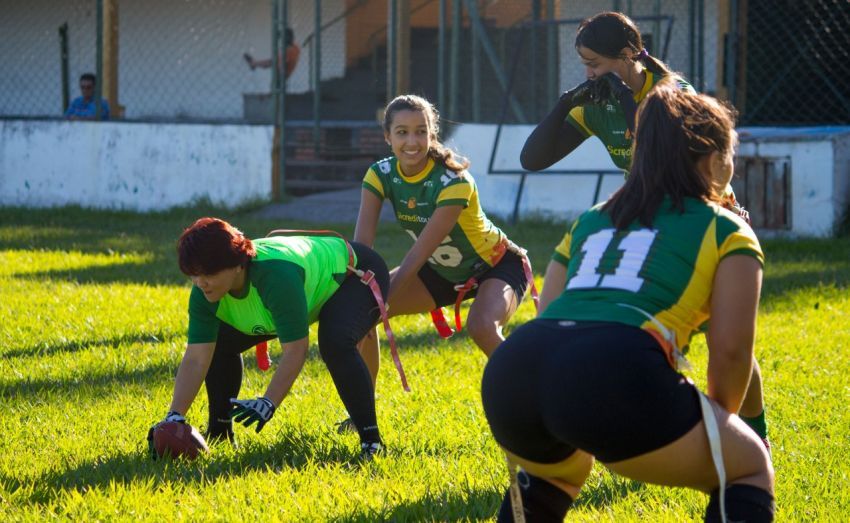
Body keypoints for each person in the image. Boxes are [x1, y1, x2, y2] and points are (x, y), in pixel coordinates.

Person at [481, 82, 774, 522]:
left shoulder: (592, 219)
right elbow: (731, 350)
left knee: (553, 478)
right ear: (714, 159)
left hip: (515, 370)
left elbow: (551, 311)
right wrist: (719, 428)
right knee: (749, 467)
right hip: (613, 370)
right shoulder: (727, 230)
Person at [526, 10, 770, 447]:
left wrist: (624, 98)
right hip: (652, 223)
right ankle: (657, 429)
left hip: (706, 218)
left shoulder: (675, 94)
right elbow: (533, 159)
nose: (589, 73)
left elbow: (657, 153)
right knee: (648, 329)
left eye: (595, 64)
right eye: (585, 65)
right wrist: (565, 104)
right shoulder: (598, 105)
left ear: (627, 56)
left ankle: (752, 437)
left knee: (723, 337)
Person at [147, 217, 390, 460]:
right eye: (193, 275)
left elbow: (296, 351)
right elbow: (196, 358)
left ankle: (372, 443)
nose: (200, 283)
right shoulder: (203, 293)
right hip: (301, 293)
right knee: (219, 343)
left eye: (207, 274)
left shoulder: (275, 277)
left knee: (334, 342)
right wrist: (174, 417)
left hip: (356, 274)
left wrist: (268, 402)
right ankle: (220, 432)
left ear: (237, 264)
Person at [352, 93, 532, 389]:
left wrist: (383, 299)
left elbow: (420, 253)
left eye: (421, 132)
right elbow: (361, 250)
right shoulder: (379, 175)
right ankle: (363, 414)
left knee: (482, 326)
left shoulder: (453, 180)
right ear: (387, 137)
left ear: (432, 134)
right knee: (364, 311)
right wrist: (362, 295)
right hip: (442, 272)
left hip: (496, 266)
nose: (412, 142)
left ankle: (533, 396)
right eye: (402, 132)